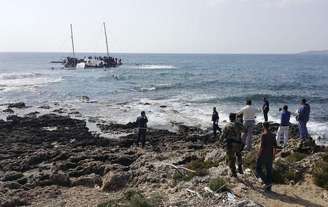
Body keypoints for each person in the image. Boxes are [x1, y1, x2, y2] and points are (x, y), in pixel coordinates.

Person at [220, 113, 244, 177]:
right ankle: (240, 168)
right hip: (238, 143)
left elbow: (222, 136)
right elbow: (245, 130)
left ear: (229, 118)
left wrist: (220, 141)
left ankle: (234, 173)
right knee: (239, 155)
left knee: (231, 158)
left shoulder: (226, 126)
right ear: (235, 117)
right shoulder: (239, 124)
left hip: (230, 145)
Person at [256, 122, 277, 192]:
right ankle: (269, 187)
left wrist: (258, 154)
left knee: (258, 168)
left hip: (263, 154)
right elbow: (274, 147)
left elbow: (261, 147)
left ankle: (267, 183)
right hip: (270, 155)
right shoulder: (273, 135)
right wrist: (274, 155)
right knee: (269, 170)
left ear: (263, 127)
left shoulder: (263, 135)